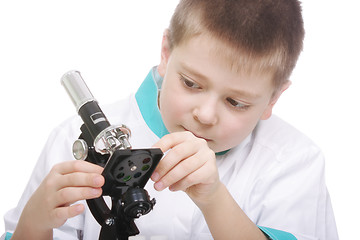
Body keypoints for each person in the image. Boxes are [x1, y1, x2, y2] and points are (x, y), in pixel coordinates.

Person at [2, 0, 338, 239]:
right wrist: (34, 221)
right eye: (191, 83)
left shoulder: (294, 162)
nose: (205, 115)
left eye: (236, 102)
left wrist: (214, 199)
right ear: (166, 53)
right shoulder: (71, 142)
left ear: (274, 99)